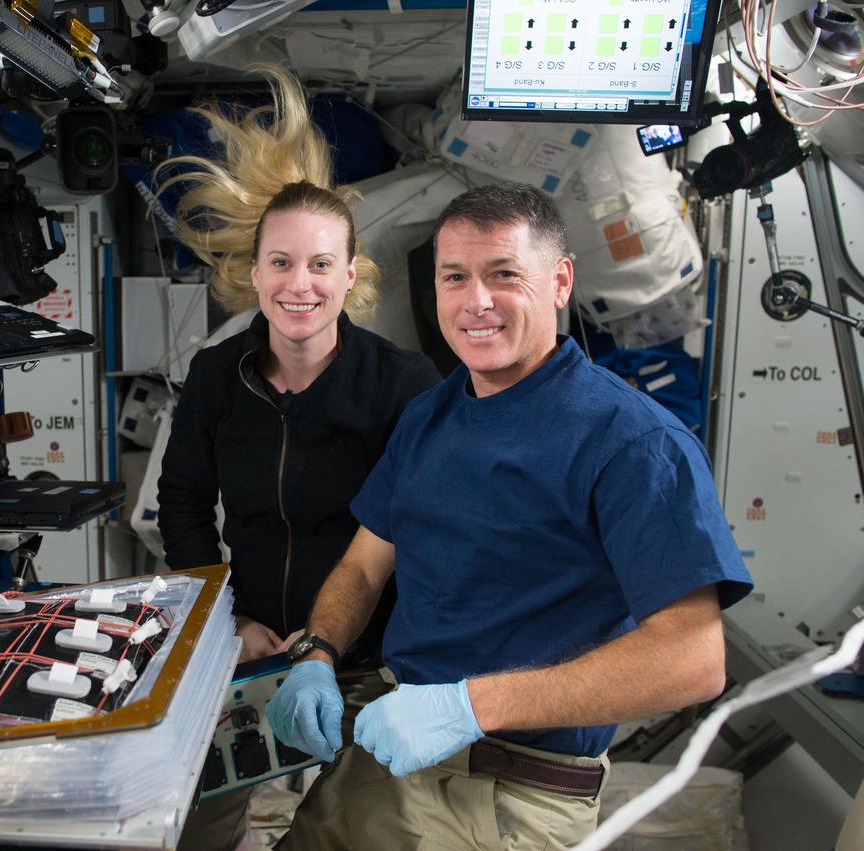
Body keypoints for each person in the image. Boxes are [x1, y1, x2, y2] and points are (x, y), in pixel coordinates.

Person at [265, 182, 754, 849]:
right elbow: (363, 563)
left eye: (503, 275)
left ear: (559, 282)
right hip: (381, 755)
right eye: (454, 277)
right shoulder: (429, 417)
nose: (476, 302)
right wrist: (316, 653)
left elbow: (691, 661)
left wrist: (465, 706)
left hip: (508, 792)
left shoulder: (632, 442)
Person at [154, 67, 440, 851]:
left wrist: (338, 649)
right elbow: (181, 505)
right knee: (192, 825)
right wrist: (227, 622)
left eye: (320, 265)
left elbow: (422, 534)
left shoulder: (403, 384)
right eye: (280, 263)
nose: (299, 284)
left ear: (350, 275)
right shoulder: (219, 374)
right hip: (249, 643)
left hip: (368, 658)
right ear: (253, 274)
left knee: (356, 833)